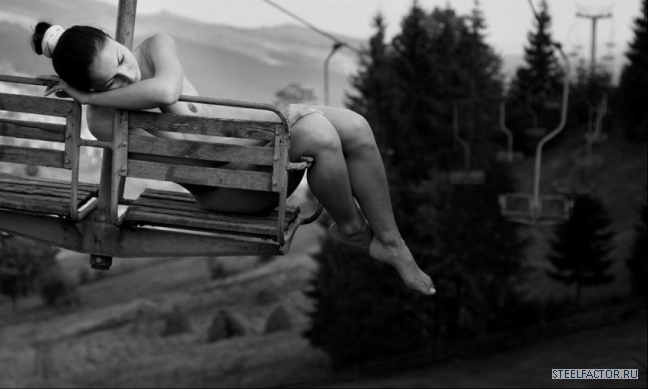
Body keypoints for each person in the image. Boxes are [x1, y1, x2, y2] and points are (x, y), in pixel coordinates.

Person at [32, 21, 435, 296]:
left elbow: (167, 89)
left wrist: (90, 92)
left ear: (113, 37)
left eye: (121, 59)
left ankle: (391, 242)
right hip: (230, 186)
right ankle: (352, 229)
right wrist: (87, 99)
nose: (128, 77)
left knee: (357, 128)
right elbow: (202, 156)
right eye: (111, 83)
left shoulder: (155, 46)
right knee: (318, 134)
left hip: (250, 145)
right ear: (92, 91)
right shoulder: (105, 120)